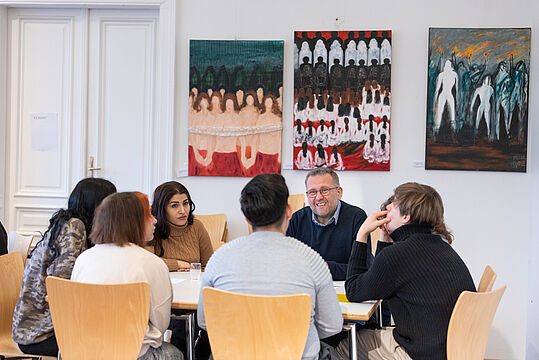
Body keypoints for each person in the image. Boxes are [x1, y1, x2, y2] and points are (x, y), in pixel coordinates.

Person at [197, 174, 343, 360]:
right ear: (289, 211)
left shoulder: (219, 259)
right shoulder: (311, 260)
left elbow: (205, 321)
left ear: (247, 218)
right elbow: (332, 325)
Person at [337, 182, 476, 360]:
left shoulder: (399, 254)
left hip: (420, 352)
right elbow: (378, 283)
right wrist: (384, 237)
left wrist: (362, 234)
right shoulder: (440, 245)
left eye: (393, 203)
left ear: (406, 216)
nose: (387, 207)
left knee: (345, 345)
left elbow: (354, 291)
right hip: (451, 347)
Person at [71, 192, 183, 360]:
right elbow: (161, 325)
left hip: (83, 352)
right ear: (134, 222)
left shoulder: (83, 259)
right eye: (149, 215)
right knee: (175, 353)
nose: (155, 220)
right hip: (133, 354)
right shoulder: (151, 263)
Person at [12, 178, 117, 356]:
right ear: (97, 204)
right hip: (39, 333)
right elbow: (62, 287)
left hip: (41, 326)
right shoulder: (75, 227)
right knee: (112, 341)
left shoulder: (71, 222)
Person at [286, 168, 368, 281]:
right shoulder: (296, 220)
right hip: (305, 288)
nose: (318, 197)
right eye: (312, 192)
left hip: (343, 290)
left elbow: (363, 269)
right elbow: (287, 264)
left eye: (324, 190)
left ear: (338, 193)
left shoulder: (357, 218)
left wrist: (325, 267)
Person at [148, 181, 213, 272]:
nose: (183, 210)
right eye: (174, 205)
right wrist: (178, 264)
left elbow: (210, 267)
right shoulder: (151, 228)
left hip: (192, 284)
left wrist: (190, 272)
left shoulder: (197, 226)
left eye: (185, 203)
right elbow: (147, 263)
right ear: (162, 208)